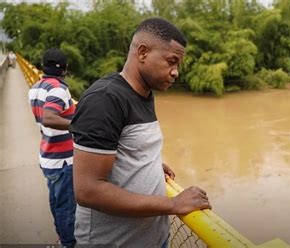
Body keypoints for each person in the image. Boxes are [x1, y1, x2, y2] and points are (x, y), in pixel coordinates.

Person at [70, 18, 211, 247]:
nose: (176, 72)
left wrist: (149, 164)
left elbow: (128, 146)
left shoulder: (144, 94)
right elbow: (88, 190)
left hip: (152, 240)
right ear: (143, 53)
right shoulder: (105, 99)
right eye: (171, 62)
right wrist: (173, 204)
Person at [28, 48, 76, 247]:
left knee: (55, 202)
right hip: (63, 160)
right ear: (64, 69)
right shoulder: (59, 89)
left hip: (48, 156)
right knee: (66, 207)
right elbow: (49, 117)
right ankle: (67, 243)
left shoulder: (36, 86)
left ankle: (61, 237)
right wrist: (78, 125)